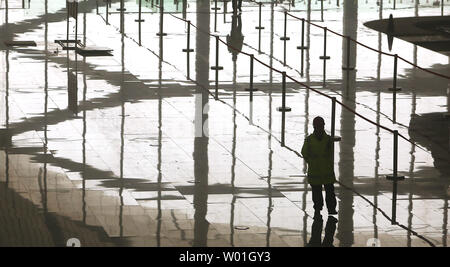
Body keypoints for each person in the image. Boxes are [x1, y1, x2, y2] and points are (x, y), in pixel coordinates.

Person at [301, 116, 337, 219]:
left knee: (329, 192)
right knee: (317, 192)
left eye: (321, 126)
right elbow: (304, 152)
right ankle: (318, 208)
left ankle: (331, 209)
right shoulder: (309, 140)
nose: (320, 128)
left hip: (326, 172)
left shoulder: (327, 140)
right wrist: (312, 162)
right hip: (316, 171)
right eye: (319, 126)